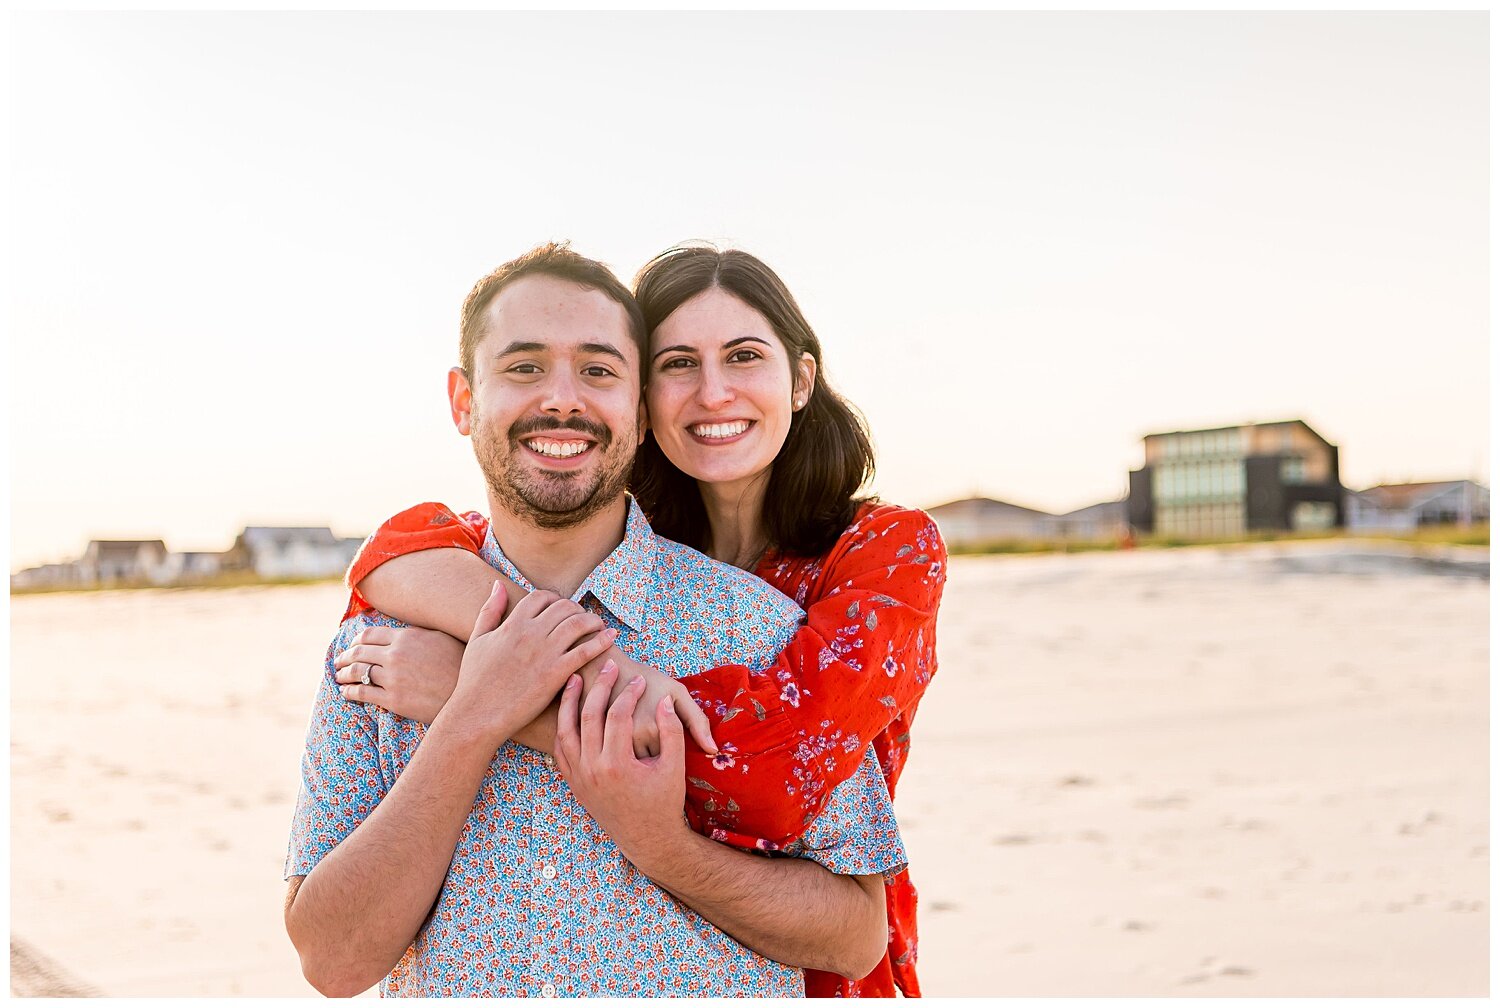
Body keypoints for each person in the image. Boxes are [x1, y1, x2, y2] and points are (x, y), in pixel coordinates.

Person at [282, 244, 907, 997]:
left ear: (640, 412)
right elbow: (332, 962)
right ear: (463, 402)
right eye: (523, 367)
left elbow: (855, 936)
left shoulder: (763, 629)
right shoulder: (384, 640)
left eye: (600, 370)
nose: (562, 399)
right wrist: (472, 716)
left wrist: (661, 844)